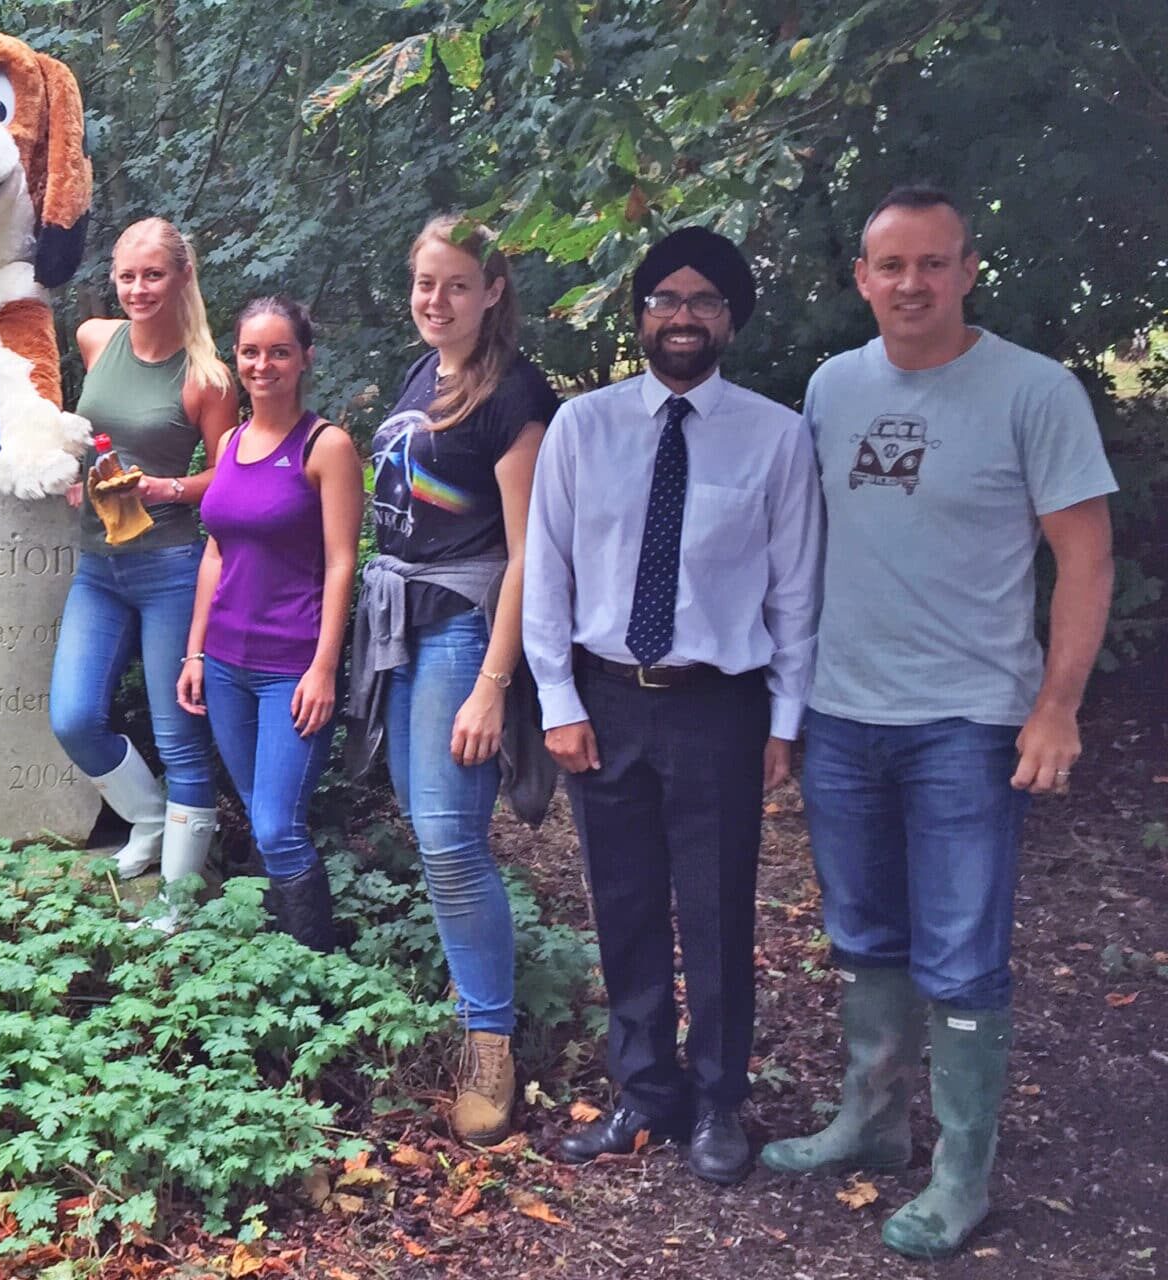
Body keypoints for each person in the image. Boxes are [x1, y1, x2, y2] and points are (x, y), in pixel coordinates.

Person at [759, 186, 1115, 1258]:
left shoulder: (1033, 391)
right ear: (861, 278)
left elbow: (1086, 558)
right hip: (842, 712)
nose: (910, 283)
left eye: (932, 263)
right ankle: (871, 1121)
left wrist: (1056, 706)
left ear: (967, 271)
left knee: (961, 955)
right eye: (891, 265)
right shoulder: (831, 386)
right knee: (863, 934)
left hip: (967, 720)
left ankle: (961, 1175)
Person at [524, 228, 821, 1185]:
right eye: (665, 299)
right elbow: (547, 572)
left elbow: (796, 591)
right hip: (606, 699)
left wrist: (785, 721)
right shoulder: (583, 428)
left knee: (717, 903)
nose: (682, 316)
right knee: (624, 903)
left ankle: (720, 1100)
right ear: (641, 314)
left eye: (703, 300)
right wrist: (558, 699)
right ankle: (646, 1092)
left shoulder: (776, 436)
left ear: (730, 319)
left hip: (717, 706)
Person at [341, 214, 559, 1146]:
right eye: (426, 282)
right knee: (429, 827)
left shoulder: (515, 394)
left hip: (466, 627)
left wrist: (494, 684)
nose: (436, 300)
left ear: (492, 291)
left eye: (458, 284)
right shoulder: (421, 375)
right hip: (402, 621)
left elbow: (529, 550)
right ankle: (478, 995)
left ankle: (490, 1041)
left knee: (449, 837)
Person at [48, 217, 237, 897]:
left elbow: (229, 475)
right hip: (98, 565)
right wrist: (74, 473)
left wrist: (168, 488)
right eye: (126, 276)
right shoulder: (96, 339)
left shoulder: (208, 376)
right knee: (73, 717)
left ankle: (180, 900)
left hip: (170, 567)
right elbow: (88, 432)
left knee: (179, 735)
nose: (137, 289)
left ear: (183, 276)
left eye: (153, 275)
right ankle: (152, 822)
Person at [174, 297, 361, 948]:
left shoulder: (326, 446)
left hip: (292, 668)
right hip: (225, 665)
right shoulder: (229, 442)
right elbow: (216, 552)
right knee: (260, 817)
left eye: (279, 352)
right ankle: (277, 960)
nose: (263, 365)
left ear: (305, 358)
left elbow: (341, 563)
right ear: (236, 359)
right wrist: (195, 653)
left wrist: (324, 668)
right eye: (251, 352)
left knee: (279, 827)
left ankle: (317, 967)